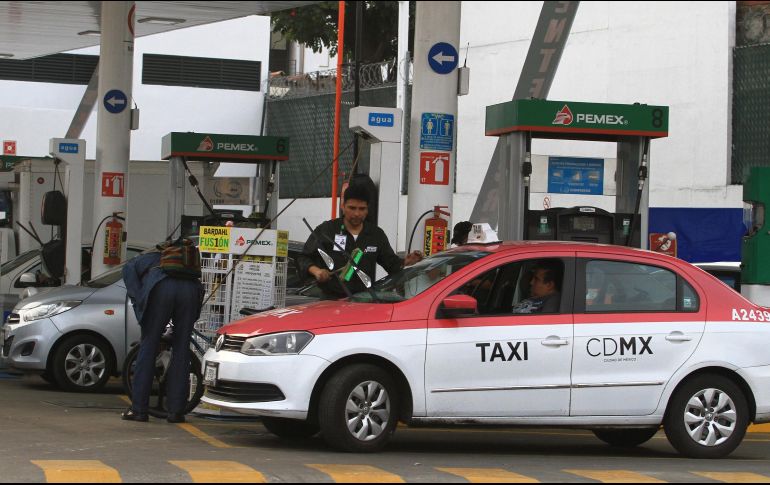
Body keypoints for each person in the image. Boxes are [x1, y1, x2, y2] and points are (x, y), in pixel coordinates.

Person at [120, 241, 204, 423]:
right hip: (191, 290)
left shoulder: (140, 261)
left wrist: (140, 303)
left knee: (148, 346)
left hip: (161, 288)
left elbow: (132, 283)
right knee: (181, 349)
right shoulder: (185, 261)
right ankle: (176, 412)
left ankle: (139, 410)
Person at [298, 184, 422, 299]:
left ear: (367, 209)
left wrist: (406, 261)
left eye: (362, 209)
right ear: (343, 206)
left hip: (364, 301)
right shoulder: (327, 230)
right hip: (331, 300)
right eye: (352, 208)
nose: (357, 213)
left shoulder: (376, 234)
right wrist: (317, 271)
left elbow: (392, 264)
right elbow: (303, 258)